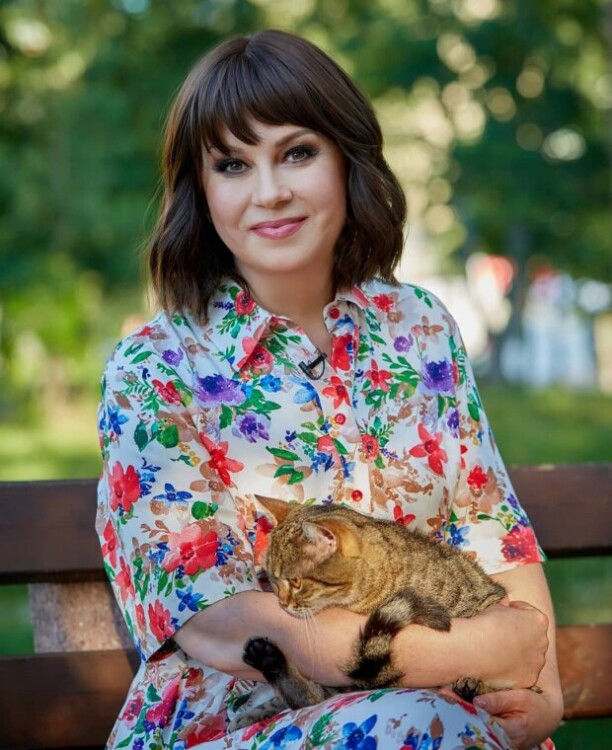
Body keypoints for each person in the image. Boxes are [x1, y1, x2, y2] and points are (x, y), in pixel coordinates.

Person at [96, 29, 563, 750]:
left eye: (297, 153)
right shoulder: (152, 369)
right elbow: (221, 621)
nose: (269, 191)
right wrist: (480, 649)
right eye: (232, 164)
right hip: (238, 725)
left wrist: (544, 691)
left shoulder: (421, 329)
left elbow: (491, 524)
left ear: (347, 158)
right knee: (418, 725)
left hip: (449, 719)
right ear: (201, 189)